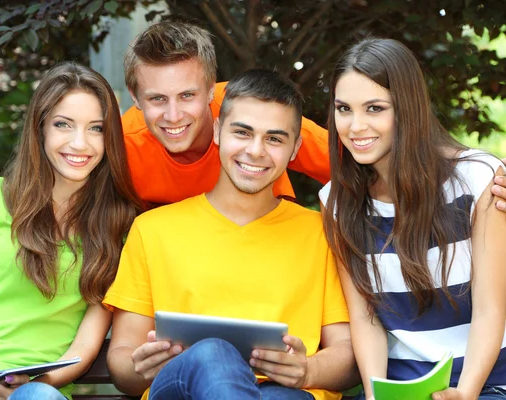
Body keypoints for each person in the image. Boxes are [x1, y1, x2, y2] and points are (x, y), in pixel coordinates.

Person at [0, 20, 332, 245]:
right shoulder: (121, 143)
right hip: (181, 280)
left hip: (276, 256)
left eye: (188, 95)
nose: (173, 115)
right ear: (136, 97)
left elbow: (356, 166)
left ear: (212, 91)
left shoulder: (253, 120)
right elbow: (56, 203)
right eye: (157, 98)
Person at [103, 69, 359, 400]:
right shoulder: (152, 230)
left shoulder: (321, 234)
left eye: (275, 138)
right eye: (243, 132)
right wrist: (140, 366)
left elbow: (347, 352)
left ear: (295, 148)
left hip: (284, 394)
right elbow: (122, 360)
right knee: (213, 354)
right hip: (181, 390)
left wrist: (308, 371)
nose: (256, 151)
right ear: (218, 132)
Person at [0, 62, 142, 400]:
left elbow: (85, 346)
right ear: (41, 128)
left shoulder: (117, 228)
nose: (80, 143)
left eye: (95, 129)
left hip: (33, 389)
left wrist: (27, 388)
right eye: (63, 125)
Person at [319, 38, 506, 400]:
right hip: (396, 389)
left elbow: (489, 309)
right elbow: (366, 318)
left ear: (407, 108)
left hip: (485, 384)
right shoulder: (337, 202)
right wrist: (374, 395)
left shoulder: (479, 179)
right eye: (344, 109)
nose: (356, 126)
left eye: (374, 108)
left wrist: (465, 393)